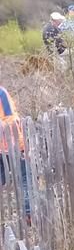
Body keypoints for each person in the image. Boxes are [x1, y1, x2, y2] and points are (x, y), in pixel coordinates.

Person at [0, 86, 28, 220]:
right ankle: (28, 213)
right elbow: (10, 117)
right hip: (11, 144)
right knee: (25, 178)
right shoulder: (1, 92)